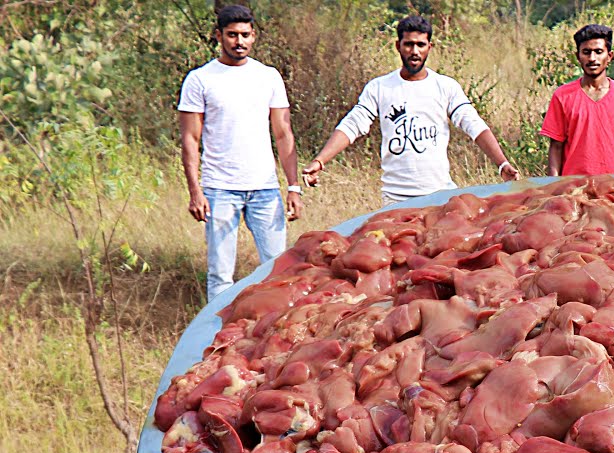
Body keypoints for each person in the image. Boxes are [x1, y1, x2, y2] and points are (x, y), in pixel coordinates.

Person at [303, 15, 520, 205]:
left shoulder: (445, 86)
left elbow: (473, 125)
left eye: (420, 45)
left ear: (429, 47)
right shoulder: (379, 87)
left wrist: (502, 164)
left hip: (440, 196)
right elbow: (352, 125)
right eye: (408, 44)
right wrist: (319, 161)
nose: (414, 51)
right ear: (398, 46)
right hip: (395, 199)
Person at [178, 4, 303, 301]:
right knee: (221, 274)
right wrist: (195, 191)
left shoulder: (268, 76)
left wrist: (294, 187)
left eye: (245, 35)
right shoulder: (200, 79)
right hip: (220, 190)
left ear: (254, 36)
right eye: (232, 35)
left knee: (279, 270)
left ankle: (276, 333)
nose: (239, 42)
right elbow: (190, 139)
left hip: (264, 187)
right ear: (219, 36)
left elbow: (283, 133)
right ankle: (215, 339)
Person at [540, 24, 614, 177]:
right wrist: (554, 188)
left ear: (609, 56)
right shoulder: (562, 96)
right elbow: (556, 147)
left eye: (598, 52)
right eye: (586, 52)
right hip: (575, 189)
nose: (592, 58)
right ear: (578, 56)